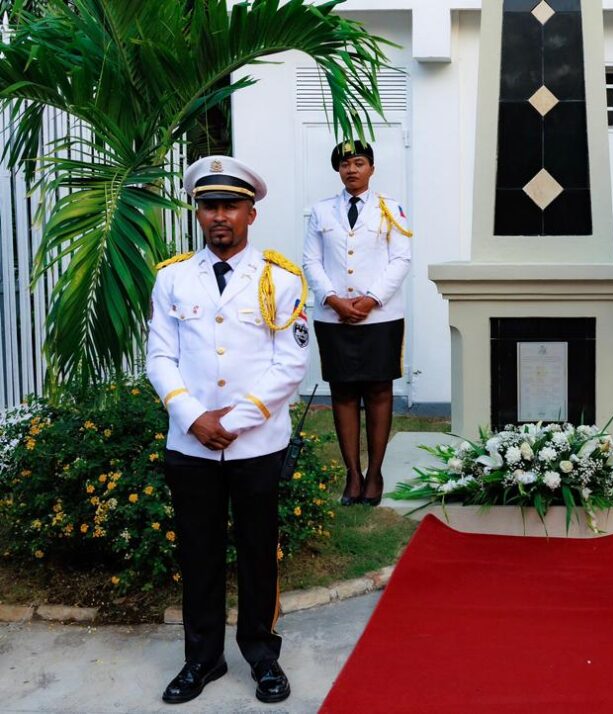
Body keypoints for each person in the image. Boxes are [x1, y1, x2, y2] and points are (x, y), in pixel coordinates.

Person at [147, 156, 309, 705]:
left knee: (259, 549)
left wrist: (232, 422)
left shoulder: (279, 279)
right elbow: (160, 356)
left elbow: (290, 364)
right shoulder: (172, 277)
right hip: (189, 442)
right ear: (198, 212)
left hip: (256, 443)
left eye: (231, 207)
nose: (220, 217)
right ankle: (202, 659)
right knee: (198, 551)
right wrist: (193, 416)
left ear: (251, 213)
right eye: (209, 206)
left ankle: (262, 656)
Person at [303, 140, 412, 506]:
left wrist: (369, 300)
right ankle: (353, 474)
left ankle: (375, 471)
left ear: (372, 168)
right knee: (344, 392)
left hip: (380, 316)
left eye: (359, 162)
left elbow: (400, 259)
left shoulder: (390, 209)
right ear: (338, 170)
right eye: (345, 164)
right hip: (334, 317)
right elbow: (310, 262)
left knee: (379, 391)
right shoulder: (320, 212)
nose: (352, 169)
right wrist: (333, 299)